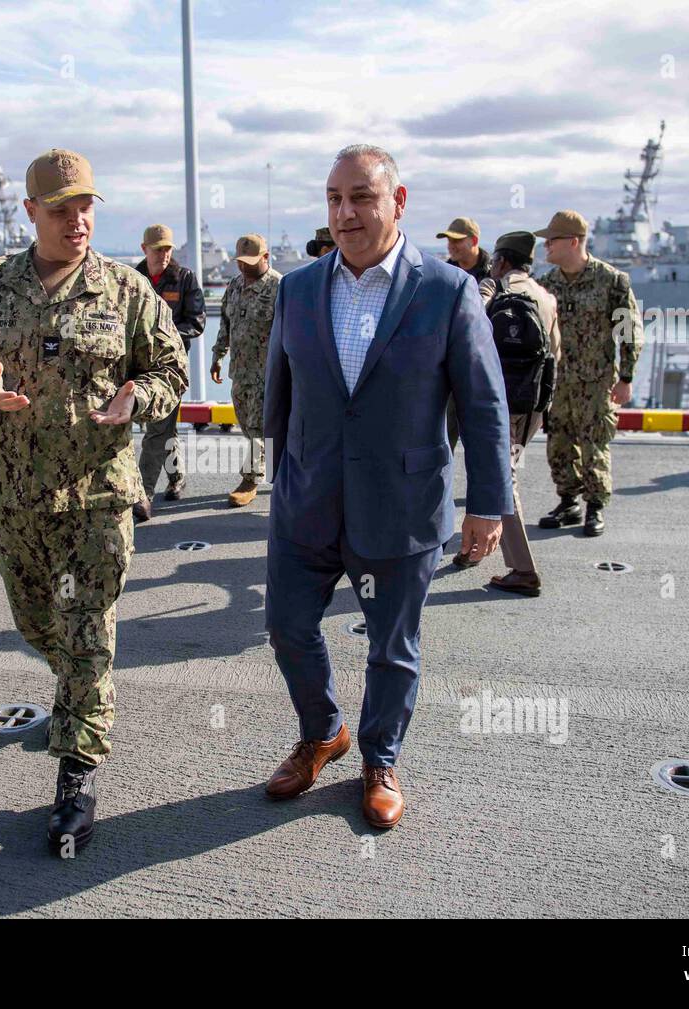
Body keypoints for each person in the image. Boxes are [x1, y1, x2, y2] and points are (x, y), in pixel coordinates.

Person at [0, 148, 188, 854]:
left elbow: (170, 369)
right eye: (63, 209)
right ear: (32, 212)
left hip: (97, 494)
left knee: (89, 629)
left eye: (87, 207)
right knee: (36, 619)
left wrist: (141, 395)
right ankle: (75, 694)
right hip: (13, 493)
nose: (79, 222)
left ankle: (77, 768)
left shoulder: (127, 291)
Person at [262, 145, 513, 829]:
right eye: (334, 198)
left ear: (397, 202)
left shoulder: (447, 290)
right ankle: (323, 732)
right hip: (306, 500)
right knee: (285, 627)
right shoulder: (297, 288)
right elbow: (277, 401)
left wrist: (487, 503)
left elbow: (485, 405)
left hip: (401, 507)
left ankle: (380, 757)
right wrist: (281, 478)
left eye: (362, 197)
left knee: (391, 649)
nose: (346, 212)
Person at [534, 210, 643, 537]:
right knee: (559, 444)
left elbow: (628, 330)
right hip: (558, 382)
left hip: (596, 382)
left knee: (595, 444)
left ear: (573, 241)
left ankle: (595, 506)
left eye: (552, 240)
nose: (546, 246)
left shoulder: (612, 281)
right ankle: (568, 502)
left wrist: (626, 377)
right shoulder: (546, 284)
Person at [472, 231, 561, 597]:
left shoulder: (500, 292)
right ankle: (500, 556)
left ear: (503, 261)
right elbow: (555, 351)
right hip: (533, 404)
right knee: (509, 470)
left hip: (504, 404)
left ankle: (523, 570)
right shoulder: (545, 296)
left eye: (494, 261)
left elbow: (471, 332)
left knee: (504, 479)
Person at [132, 223, 205, 522]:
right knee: (165, 430)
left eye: (168, 249)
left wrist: (165, 336)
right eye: (157, 249)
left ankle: (142, 495)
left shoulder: (184, 279)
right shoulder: (133, 279)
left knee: (157, 431)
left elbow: (197, 322)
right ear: (144, 249)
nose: (163, 254)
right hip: (138, 367)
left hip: (170, 368)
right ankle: (176, 478)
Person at [210, 234, 281, 507]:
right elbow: (226, 322)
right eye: (240, 261)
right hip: (240, 371)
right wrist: (217, 355)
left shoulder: (279, 286)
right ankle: (280, 470)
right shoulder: (235, 284)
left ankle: (251, 478)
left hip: (268, 373)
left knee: (257, 428)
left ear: (266, 256)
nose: (244, 267)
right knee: (249, 426)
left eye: (250, 262)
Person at [439, 216, 494, 545]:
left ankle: (483, 523)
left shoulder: (493, 276)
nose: (452, 246)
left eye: (458, 240)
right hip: (448, 382)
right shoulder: (445, 275)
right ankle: (440, 528)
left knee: (484, 458)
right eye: (448, 240)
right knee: (441, 452)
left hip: (481, 380)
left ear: (474, 240)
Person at [439, 216, 493, 281]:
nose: (451, 246)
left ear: (474, 241)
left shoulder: (494, 273)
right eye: (449, 241)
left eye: (456, 240)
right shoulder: (445, 273)